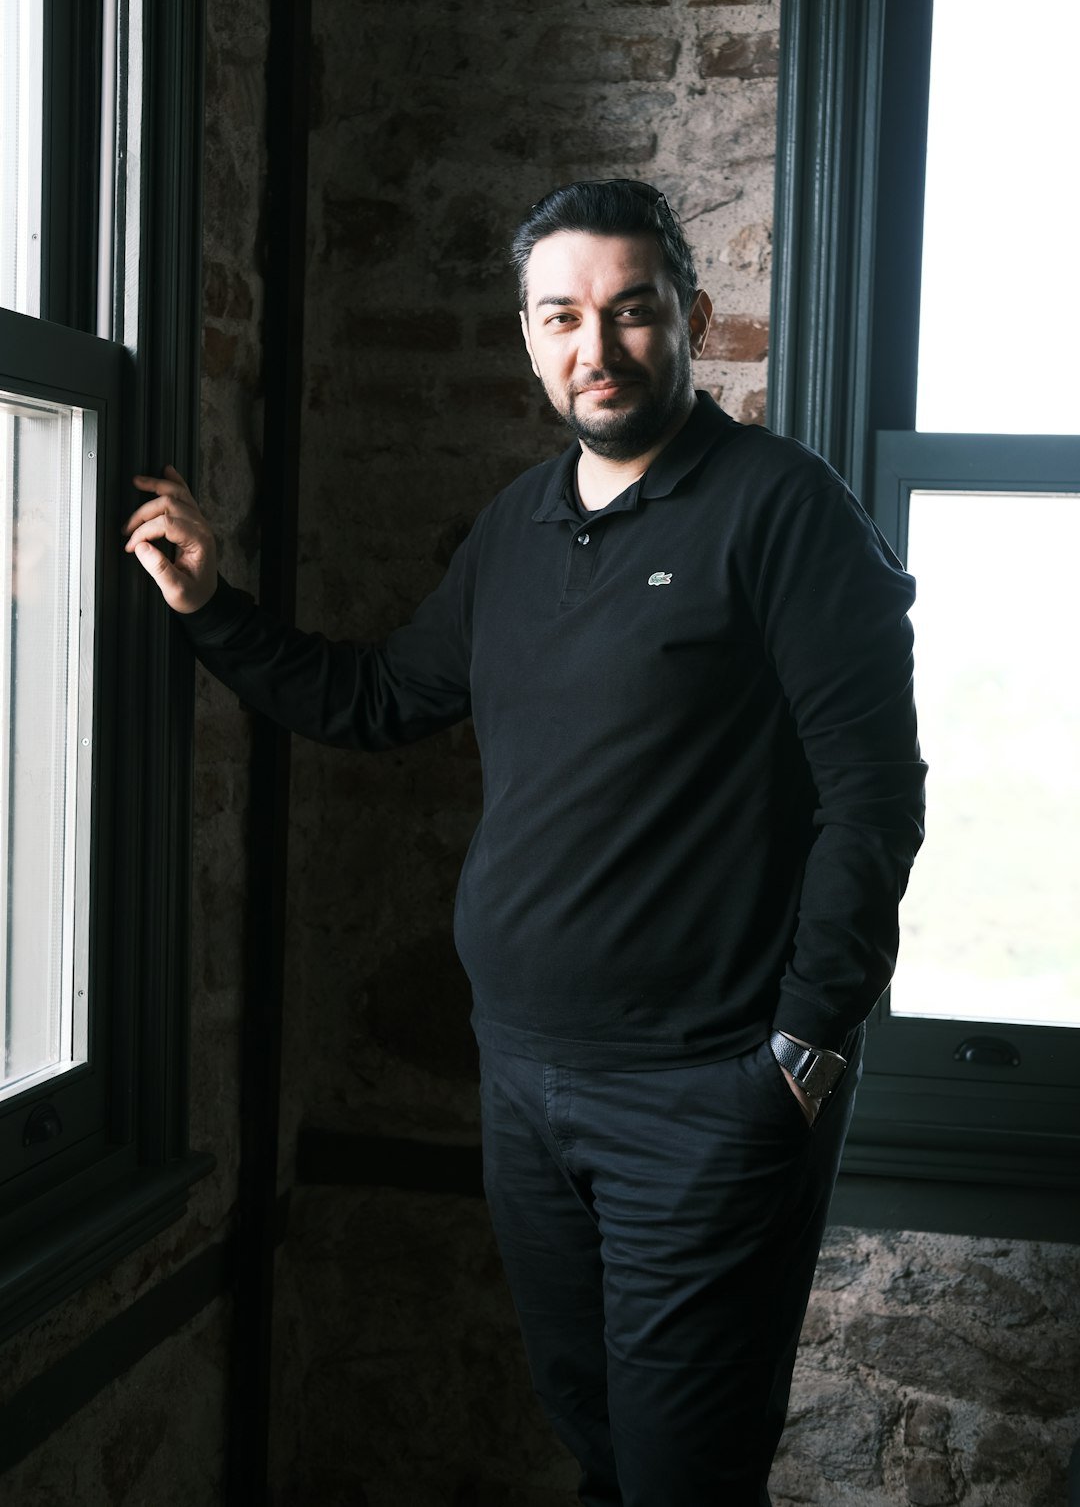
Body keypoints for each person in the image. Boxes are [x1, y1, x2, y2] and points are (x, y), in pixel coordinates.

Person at [124, 179, 926, 1506]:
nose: (594, 350)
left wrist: (801, 1049)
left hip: (707, 1098)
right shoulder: (517, 527)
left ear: (691, 317)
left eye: (631, 311)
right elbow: (376, 699)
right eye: (562, 317)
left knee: (684, 1473)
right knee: (599, 1443)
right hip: (528, 1085)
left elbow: (875, 796)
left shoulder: (786, 513)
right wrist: (213, 604)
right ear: (526, 333)